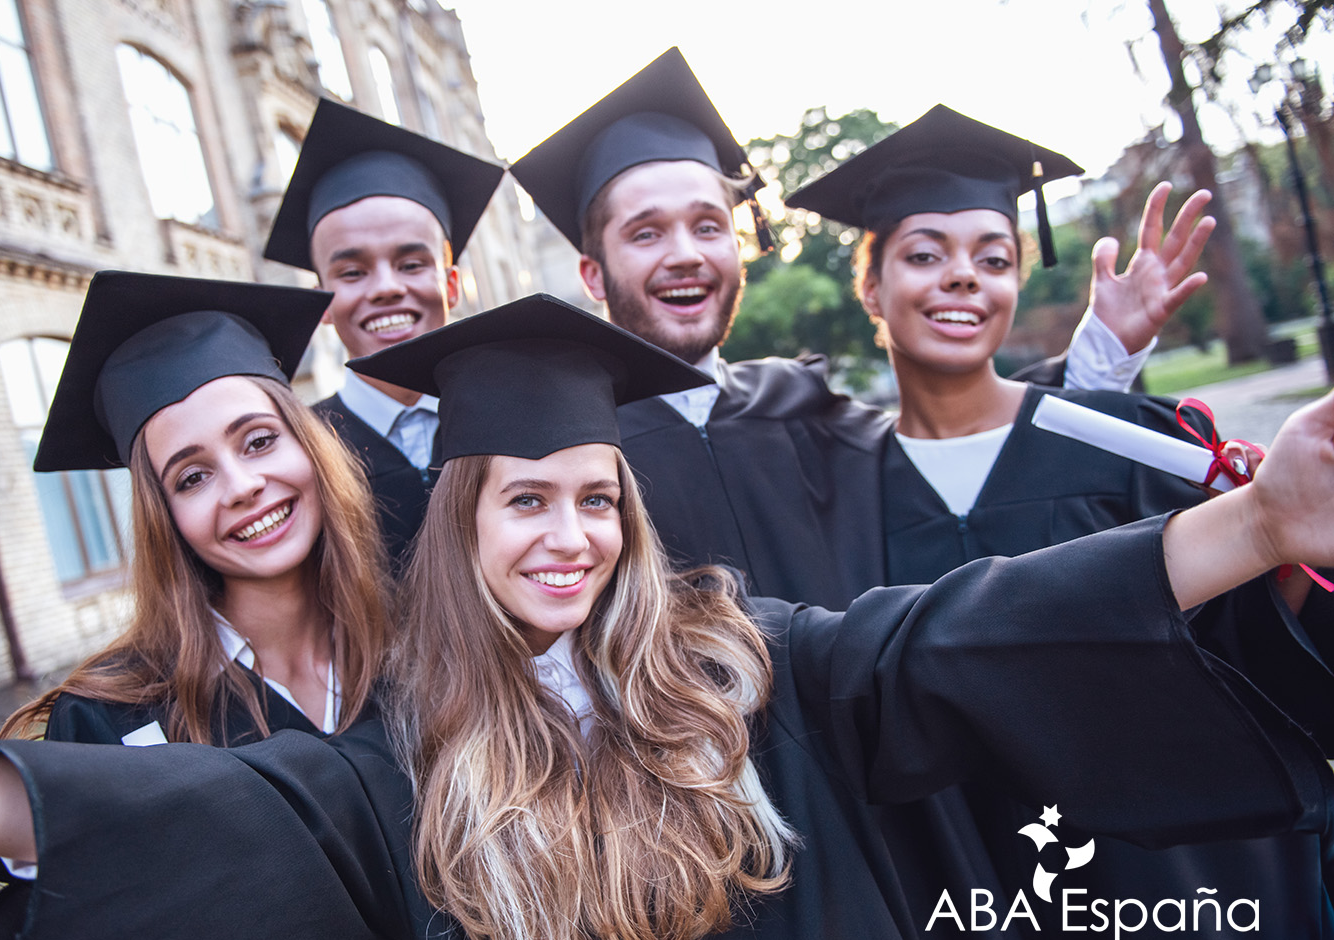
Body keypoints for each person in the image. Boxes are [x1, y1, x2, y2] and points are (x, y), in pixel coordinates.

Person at [0, 294, 1334, 940]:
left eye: (593, 497)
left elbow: (959, 633)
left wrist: (1256, 527)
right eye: (523, 502)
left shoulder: (752, 660)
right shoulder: (407, 759)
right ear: (461, 525)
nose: (566, 533)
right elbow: (221, 814)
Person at [783, 104, 1332, 940]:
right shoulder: (829, 491)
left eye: (993, 258)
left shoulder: (1128, 441)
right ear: (872, 287)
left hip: (1166, 897)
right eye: (925, 254)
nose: (962, 277)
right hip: (958, 909)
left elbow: (1259, 646)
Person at [509, 49, 1197, 610]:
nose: (686, 252)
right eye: (647, 231)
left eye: (709, 225)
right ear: (594, 276)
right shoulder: (570, 452)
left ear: (738, 249)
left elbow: (968, 449)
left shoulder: (802, 401)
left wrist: (1103, 361)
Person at [0, 270, 419, 940]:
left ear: (309, 447)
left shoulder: (420, 650)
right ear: (165, 518)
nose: (242, 485)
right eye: (191, 478)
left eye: (258, 441)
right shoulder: (114, 716)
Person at [264, 98, 504, 564]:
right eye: (352, 273)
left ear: (451, 284)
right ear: (324, 303)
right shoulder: (300, 454)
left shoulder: (514, 416)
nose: (387, 288)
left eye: (411, 264)